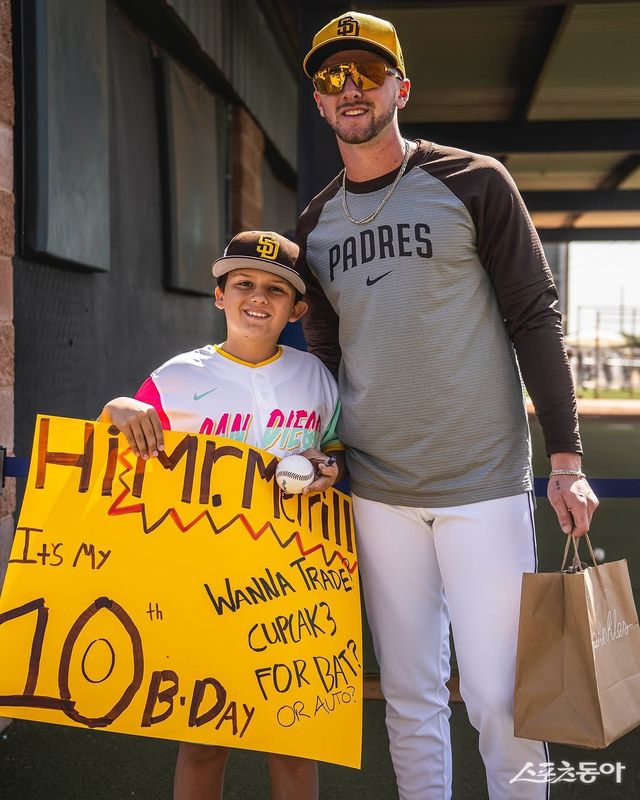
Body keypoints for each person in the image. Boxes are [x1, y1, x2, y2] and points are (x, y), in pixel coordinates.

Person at [296, 11, 599, 800]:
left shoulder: (474, 180)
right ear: (320, 103)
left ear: (401, 86)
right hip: (378, 491)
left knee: (501, 699)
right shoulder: (316, 224)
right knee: (410, 698)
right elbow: (325, 358)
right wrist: (321, 444)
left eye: (365, 72)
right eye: (332, 78)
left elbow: (534, 314)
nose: (349, 88)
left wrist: (566, 460)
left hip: (483, 483)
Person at [100, 230, 345, 800]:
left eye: (274, 290)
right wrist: (118, 407)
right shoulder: (177, 377)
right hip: (203, 580)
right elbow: (111, 458)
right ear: (219, 295)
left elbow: (338, 453)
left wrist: (331, 469)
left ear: (296, 308)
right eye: (243, 284)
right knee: (204, 741)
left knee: (293, 745)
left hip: (293, 581)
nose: (257, 298)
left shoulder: (316, 378)